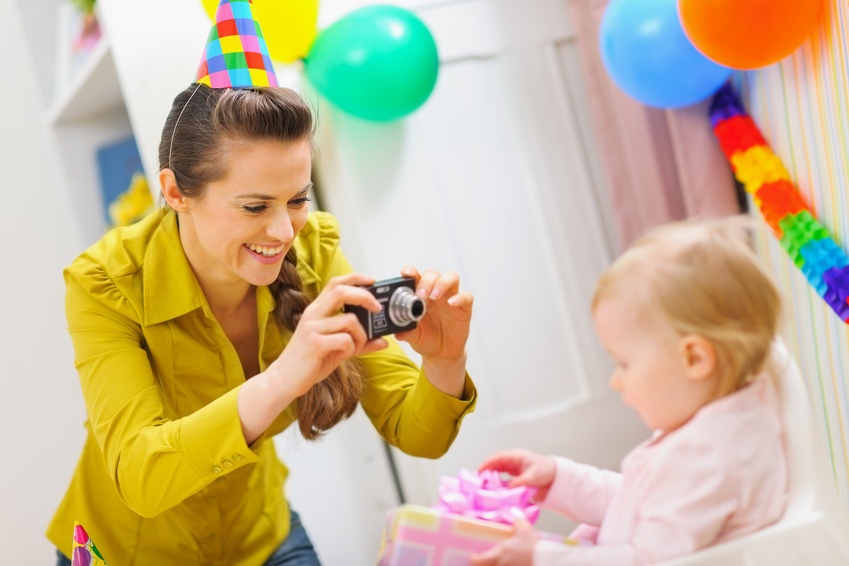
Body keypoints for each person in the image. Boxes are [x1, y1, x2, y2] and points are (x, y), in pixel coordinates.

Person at [46, 4, 476, 564]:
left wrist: (445, 362)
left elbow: (415, 432)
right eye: (254, 206)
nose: (282, 232)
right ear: (176, 192)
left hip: (262, 537)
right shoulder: (105, 283)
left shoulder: (314, 249)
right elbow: (142, 474)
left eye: (297, 198)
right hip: (131, 551)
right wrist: (282, 377)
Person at [471, 217, 788, 565]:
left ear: (694, 358)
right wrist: (559, 479)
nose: (616, 380)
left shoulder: (709, 457)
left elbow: (645, 560)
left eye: (623, 363)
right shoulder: (717, 426)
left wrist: (541, 558)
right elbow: (640, 503)